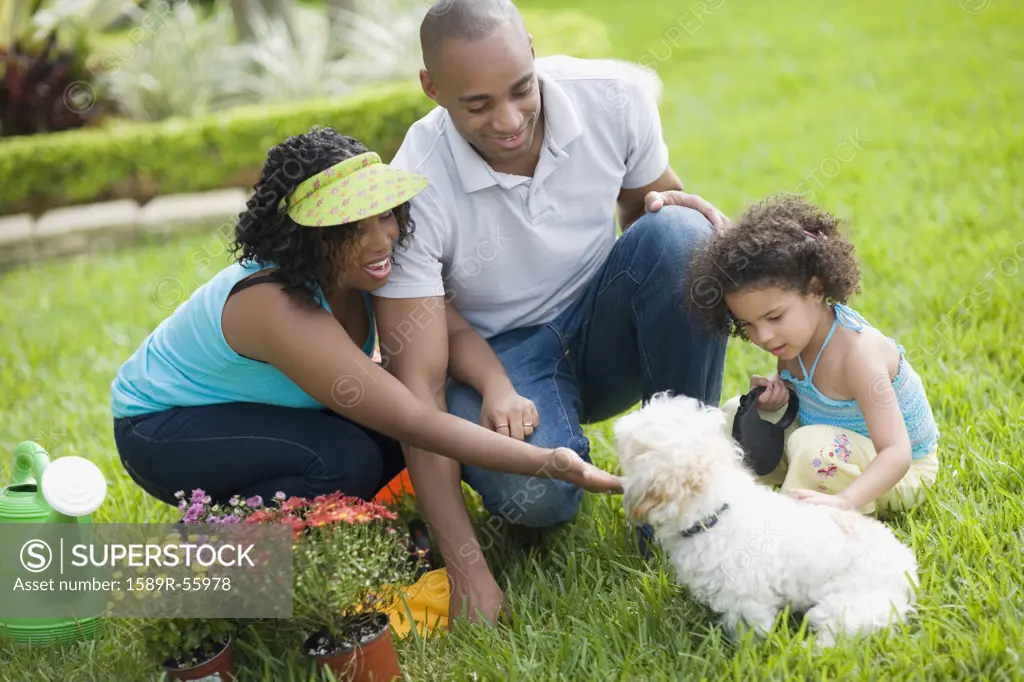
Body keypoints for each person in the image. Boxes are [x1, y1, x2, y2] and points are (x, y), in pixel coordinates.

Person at [370, 0, 730, 624]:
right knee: (539, 499)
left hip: (599, 322)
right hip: (502, 363)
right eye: (478, 105)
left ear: (533, 52)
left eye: (520, 89)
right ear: (432, 88)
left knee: (681, 233)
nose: (509, 121)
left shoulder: (612, 98)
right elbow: (418, 392)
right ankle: (562, 450)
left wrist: (705, 235)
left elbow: (655, 215)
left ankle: (682, 496)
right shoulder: (414, 186)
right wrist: (468, 573)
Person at [109, 126, 622, 510]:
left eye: (385, 216)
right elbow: (415, 419)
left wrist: (498, 388)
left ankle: (327, 536)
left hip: (258, 408)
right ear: (305, 237)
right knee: (345, 461)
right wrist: (549, 462)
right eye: (351, 227)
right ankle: (190, 570)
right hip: (162, 428)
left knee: (384, 445)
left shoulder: (372, 271)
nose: (382, 242)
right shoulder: (276, 305)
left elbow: (453, 328)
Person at [687, 193, 941, 517]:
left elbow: (897, 452)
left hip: (897, 473)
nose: (763, 337)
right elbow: (805, 404)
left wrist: (845, 501)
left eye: (775, 317)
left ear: (816, 289)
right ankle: (727, 502)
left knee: (812, 449)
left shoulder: (858, 355)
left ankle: (800, 522)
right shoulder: (791, 342)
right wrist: (776, 403)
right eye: (747, 324)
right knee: (734, 412)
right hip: (833, 450)